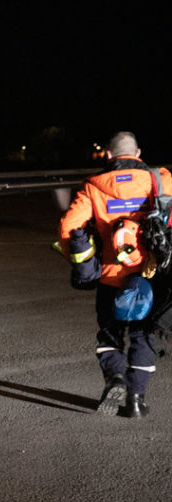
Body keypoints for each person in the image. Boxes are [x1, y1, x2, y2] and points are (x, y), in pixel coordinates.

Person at [59, 131, 172, 418]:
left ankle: (115, 378)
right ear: (138, 153)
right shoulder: (160, 180)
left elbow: (69, 227)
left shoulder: (93, 186)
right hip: (149, 277)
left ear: (109, 155)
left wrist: (79, 261)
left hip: (110, 278)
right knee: (143, 336)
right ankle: (135, 398)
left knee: (109, 334)